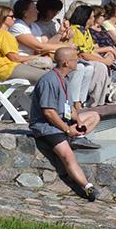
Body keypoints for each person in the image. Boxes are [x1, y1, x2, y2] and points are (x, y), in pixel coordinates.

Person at [27, 47, 101, 201]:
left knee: (94, 116)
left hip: (62, 121)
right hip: (47, 126)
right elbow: (49, 113)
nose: (77, 61)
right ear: (67, 62)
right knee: (68, 156)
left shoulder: (64, 79)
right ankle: (87, 187)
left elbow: (70, 108)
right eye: (75, 59)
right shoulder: (49, 81)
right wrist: (67, 130)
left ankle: (76, 136)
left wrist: (78, 121)